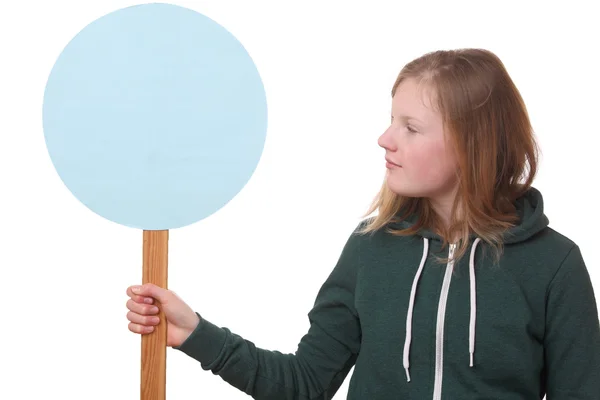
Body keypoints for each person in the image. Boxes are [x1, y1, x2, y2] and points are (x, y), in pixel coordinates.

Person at [125, 48, 600, 399]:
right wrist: (195, 334)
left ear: (473, 144)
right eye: (392, 119)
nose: (385, 139)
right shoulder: (371, 248)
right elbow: (306, 383)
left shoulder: (554, 265)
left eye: (410, 128)